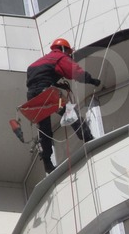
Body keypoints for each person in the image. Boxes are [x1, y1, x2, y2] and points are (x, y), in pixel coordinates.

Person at [26, 38, 101, 174]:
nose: (68, 55)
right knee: (71, 113)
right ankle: (88, 138)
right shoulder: (59, 57)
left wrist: (57, 84)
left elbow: (38, 80)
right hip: (46, 93)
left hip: (32, 97)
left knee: (44, 128)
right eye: (68, 52)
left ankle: (47, 162)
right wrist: (91, 80)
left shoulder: (38, 63)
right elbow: (75, 72)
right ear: (62, 49)